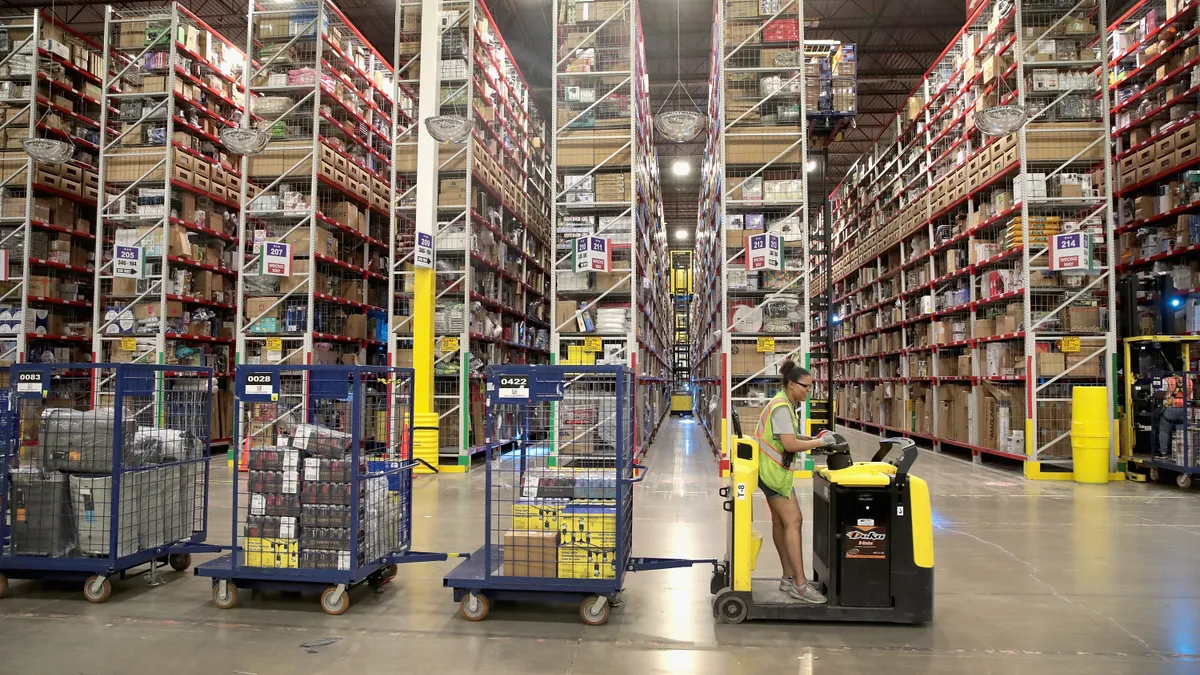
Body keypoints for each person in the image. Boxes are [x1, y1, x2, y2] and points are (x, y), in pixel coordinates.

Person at [752, 360, 836, 604]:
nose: (808, 391)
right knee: (794, 521)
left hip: (772, 471)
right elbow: (789, 445)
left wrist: (812, 438)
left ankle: (788, 577)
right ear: (791, 384)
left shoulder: (785, 403)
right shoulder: (781, 406)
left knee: (781, 523)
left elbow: (787, 436)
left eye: (811, 387)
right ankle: (800, 584)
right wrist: (820, 444)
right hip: (774, 473)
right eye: (805, 387)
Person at [1158, 373, 1193, 457]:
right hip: (1184, 409)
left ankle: (1163, 453)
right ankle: (1182, 455)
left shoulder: (1166, 380)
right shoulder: (1189, 381)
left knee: (1164, 430)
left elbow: (1159, 395)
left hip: (1170, 408)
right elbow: (1190, 396)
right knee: (1181, 432)